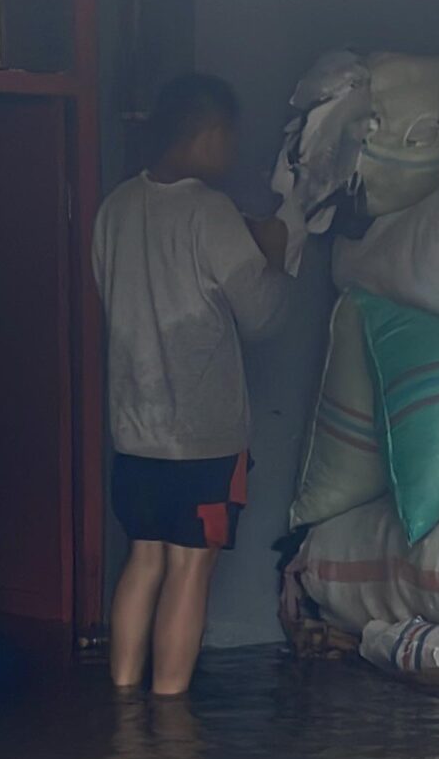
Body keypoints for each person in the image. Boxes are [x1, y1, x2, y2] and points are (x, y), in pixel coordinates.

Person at [94, 74, 292, 696]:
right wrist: (279, 253)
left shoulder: (116, 207)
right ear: (208, 133)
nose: (232, 152)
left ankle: (123, 704)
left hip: (133, 430)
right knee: (189, 567)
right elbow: (262, 316)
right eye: (229, 137)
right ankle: (170, 711)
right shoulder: (210, 212)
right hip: (202, 437)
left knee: (143, 558)